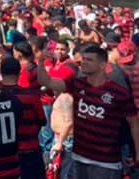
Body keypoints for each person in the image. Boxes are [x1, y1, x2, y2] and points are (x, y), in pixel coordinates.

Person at [37, 44, 139, 179]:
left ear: (102, 65)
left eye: (89, 60)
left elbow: (133, 124)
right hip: (79, 157)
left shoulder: (119, 93)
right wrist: (40, 62)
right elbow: (47, 82)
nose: (84, 62)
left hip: (106, 162)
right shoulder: (76, 84)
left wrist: (138, 151)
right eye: (83, 59)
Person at [0, 57, 46, 179]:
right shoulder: (31, 96)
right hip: (29, 152)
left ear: (0, 71)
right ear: (19, 71)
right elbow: (41, 121)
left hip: (2, 153)